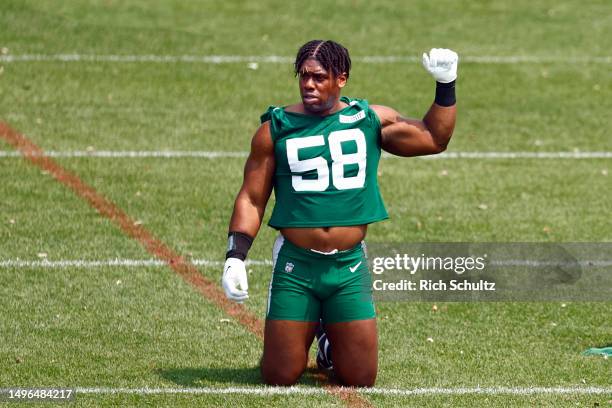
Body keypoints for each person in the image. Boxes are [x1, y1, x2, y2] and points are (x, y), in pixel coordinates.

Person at [222, 40, 458, 387]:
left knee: (360, 378)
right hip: (296, 265)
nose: (308, 84)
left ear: (341, 78)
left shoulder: (367, 120)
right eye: (303, 76)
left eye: (318, 77)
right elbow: (252, 198)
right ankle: (315, 325)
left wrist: (446, 84)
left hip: (348, 265)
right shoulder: (276, 128)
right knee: (279, 375)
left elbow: (434, 138)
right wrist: (235, 256)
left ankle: (330, 341)